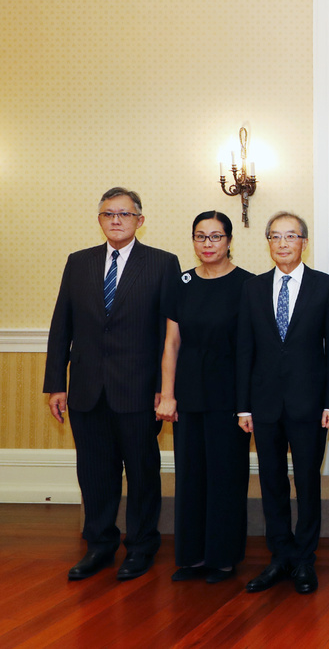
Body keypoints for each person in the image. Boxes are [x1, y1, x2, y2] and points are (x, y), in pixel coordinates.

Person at [45, 187, 180, 581]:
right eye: (108, 214)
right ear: (100, 219)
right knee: (94, 474)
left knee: (141, 473)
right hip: (87, 391)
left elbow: (168, 334)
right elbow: (61, 325)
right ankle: (99, 545)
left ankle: (141, 546)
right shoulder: (79, 262)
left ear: (140, 220)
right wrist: (56, 384)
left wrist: (164, 388)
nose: (116, 220)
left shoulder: (162, 263)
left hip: (139, 391)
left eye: (124, 213)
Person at [236, 212, 329, 594]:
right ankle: (279, 556)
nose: (283, 243)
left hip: (309, 404)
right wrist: (243, 406)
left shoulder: (326, 286)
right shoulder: (252, 288)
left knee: (307, 482)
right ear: (268, 242)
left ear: (304, 243)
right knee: (272, 482)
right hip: (263, 405)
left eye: (291, 236)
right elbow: (244, 348)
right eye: (275, 236)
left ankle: (304, 559)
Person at [156, 211, 252, 584]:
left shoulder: (248, 285)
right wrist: (167, 395)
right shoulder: (181, 283)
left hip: (229, 397)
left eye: (215, 236)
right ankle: (192, 557)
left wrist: (247, 404)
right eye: (200, 236)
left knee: (226, 477)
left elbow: (250, 348)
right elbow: (171, 343)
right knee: (191, 476)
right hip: (188, 395)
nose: (207, 244)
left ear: (229, 240)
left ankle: (223, 558)